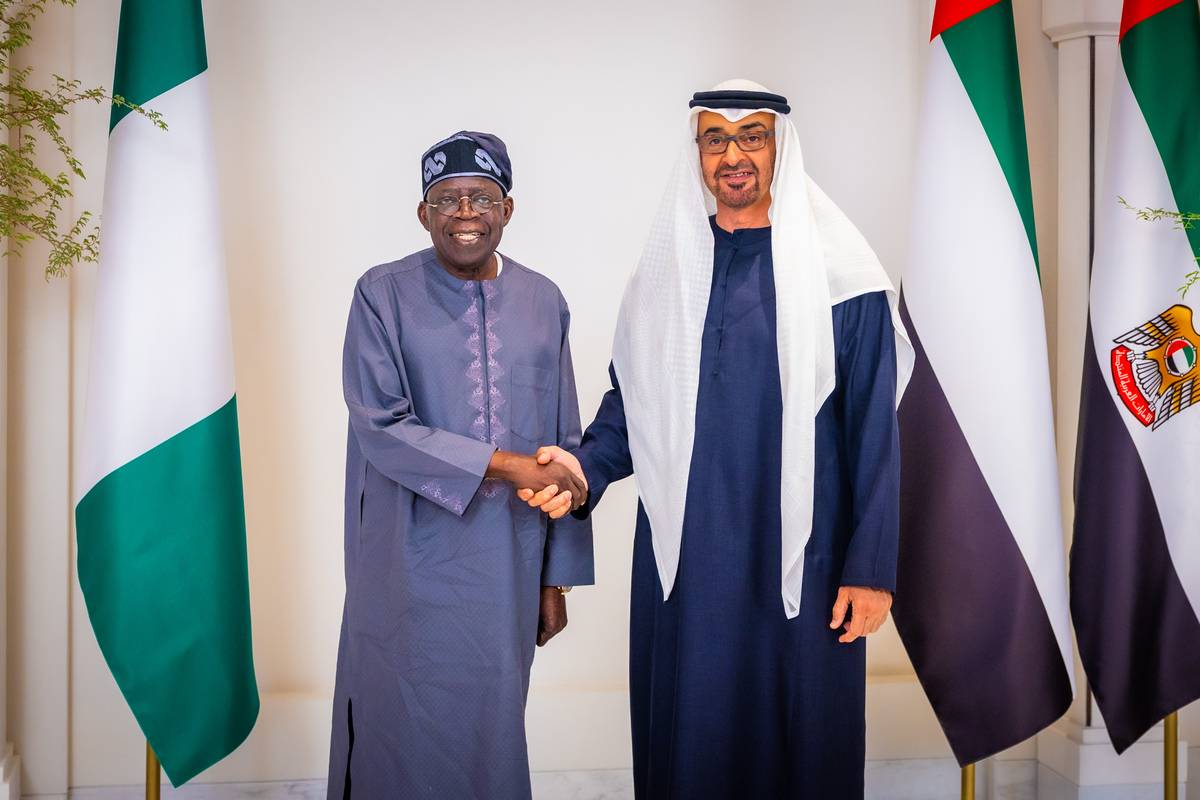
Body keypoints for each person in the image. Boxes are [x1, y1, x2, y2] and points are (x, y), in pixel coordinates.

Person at [523, 81, 913, 798]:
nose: (733, 157)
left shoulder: (842, 276)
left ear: (780, 147)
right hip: (689, 563)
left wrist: (872, 569)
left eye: (752, 137)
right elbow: (630, 408)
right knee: (691, 744)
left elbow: (874, 434)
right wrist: (580, 467)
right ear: (698, 153)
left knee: (803, 746)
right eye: (716, 140)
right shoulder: (667, 270)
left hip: (807, 560)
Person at [327, 130, 594, 799]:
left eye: (481, 196)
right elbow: (382, 426)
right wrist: (506, 466)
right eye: (447, 199)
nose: (465, 212)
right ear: (424, 214)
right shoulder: (380, 294)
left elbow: (565, 441)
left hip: (507, 563)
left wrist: (554, 580)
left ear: (508, 209)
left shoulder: (543, 301)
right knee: (400, 725)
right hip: (405, 560)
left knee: (492, 728)